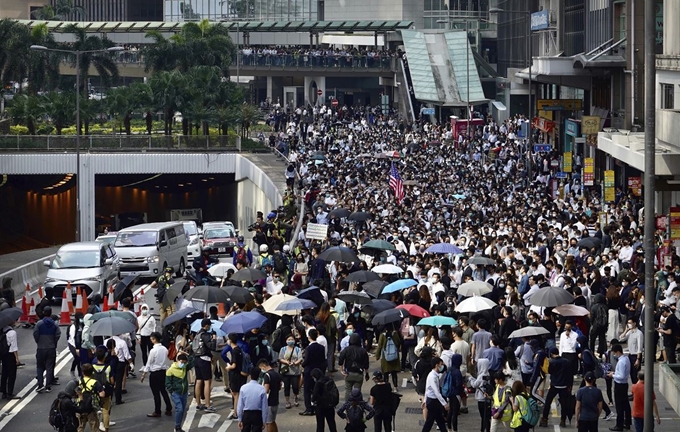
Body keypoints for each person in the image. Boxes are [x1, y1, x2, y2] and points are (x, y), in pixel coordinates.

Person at [140, 331, 172, 418]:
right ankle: (169, 408)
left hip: (154, 373)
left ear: (154, 339)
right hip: (163, 372)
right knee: (163, 391)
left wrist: (144, 374)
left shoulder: (153, 351)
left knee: (156, 393)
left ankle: (157, 411)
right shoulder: (165, 349)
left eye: (151, 339)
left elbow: (148, 363)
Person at [539, 348, 571, 428]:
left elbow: (550, 371)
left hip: (555, 385)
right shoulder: (566, 362)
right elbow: (570, 374)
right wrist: (569, 385)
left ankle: (545, 419)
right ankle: (563, 420)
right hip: (564, 385)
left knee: (548, 402)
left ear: (552, 354)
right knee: (564, 404)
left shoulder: (552, 362)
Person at [33, 305, 60, 393]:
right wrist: (53, 342)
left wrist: (39, 341)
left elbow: (35, 334)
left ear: (44, 313)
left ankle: (40, 384)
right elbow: (58, 335)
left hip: (41, 348)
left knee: (40, 366)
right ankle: (48, 386)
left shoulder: (39, 324)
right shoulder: (55, 325)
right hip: (51, 348)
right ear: (51, 313)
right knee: (49, 367)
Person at [166, 352, 194, 432]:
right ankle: (177, 427)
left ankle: (178, 426)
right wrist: (172, 391)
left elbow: (193, 362)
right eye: (182, 362)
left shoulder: (184, 367)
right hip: (176, 393)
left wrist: (188, 355)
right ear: (177, 360)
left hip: (184, 393)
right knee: (180, 409)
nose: (183, 364)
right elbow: (168, 383)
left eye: (184, 363)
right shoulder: (170, 370)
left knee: (182, 410)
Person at [193, 318, 217, 413]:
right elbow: (212, 346)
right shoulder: (205, 335)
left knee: (198, 381)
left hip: (197, 358)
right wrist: (214, 338)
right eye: (209, 325)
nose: (210, 326)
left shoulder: (197, 334)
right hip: (204, 359)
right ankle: (207, 405)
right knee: (207, 382)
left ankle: (198, 403)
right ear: (206, 325)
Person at [338, 332, 370, 402]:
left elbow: (340, 359)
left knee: (348, 391)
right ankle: (357, 405)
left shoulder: (346, 349)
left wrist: (341, 370)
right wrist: (367, 374)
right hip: (359, 374)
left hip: (348, 373)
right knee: (357, 391)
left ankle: (347, 405)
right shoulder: (363, 351)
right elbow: (366, 364)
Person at [301, 328, 326, 415]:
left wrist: (302, 364)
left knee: (307, 390)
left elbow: (307, 360)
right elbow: (323, 360)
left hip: (309, 371)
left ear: (309, 337)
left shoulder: (308, 348)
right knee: (317, 389)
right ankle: (317, 406)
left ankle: (309, 408)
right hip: (318, 371)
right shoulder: (321, 347)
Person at [421, 357, 449, 432]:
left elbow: (427, 389)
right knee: (431, 421)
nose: (442, 366)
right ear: (437, 365)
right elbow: (436, 392)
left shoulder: (433, 375)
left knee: (439, 420)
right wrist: (445, 404)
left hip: (432, 401)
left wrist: (425, 401)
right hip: (433, 401)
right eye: (441, 364)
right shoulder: (433, 377)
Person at [607, 343, 631, 431]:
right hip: (624, 384)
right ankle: (627, 422)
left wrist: (612, 376)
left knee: (619, 406)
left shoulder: (621, 362)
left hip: (619, 385)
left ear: (617, 352)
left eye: (614, 353)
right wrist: (615, 373)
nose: (614, 354)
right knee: (625, 404)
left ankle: (619, 424)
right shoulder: (626, 359)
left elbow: (621, 376)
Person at [237, 366, 268, 432]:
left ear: (250, 376)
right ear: (259, 376)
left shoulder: (243, 388)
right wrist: (264, 420)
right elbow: (264, 407)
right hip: (257, 414)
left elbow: (240, 406)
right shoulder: (262, 389)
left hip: (246, 414)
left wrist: (240, 419)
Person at [77, 363, 106, 432]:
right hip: (91, 407)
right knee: (94, 427)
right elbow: (102, 394)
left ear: (82, 372)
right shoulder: (95, 382)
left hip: (80, 406)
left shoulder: (79, 381)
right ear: (92, 372)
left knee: (80, 427)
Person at [92, 347, 114, 432]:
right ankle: (106, 428)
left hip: (96, 390)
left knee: (96, 409)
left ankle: (97, 426)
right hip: (106, 390)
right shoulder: (108, 367)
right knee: (105, 410)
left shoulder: (93, 367)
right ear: (104, 357)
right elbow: (112, 380)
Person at [225, 333, 247, 420]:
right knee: (237, 393)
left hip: (235, 375)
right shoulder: (239, 349)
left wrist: (228, 367)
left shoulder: (234, 351)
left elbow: (234, 365)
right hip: (240, 374)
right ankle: (237, 412)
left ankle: (236, 413)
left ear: (230, 340)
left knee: (236, 394)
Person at [277, 334, 302, 409]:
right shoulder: (283, 349)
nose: (290, 341)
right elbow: (280, 358)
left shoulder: (298, 349)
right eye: (289, 340)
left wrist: (295, 363)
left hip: (295, 371)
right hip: (285, 371)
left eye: (292, 339)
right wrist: (286, 362)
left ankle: (295, 397)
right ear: (286, 341)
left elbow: (300, 358)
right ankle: (287, 401)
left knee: (295, 386)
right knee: (286, 387)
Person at [311, 367, 338, 432]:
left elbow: (314, 395)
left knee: (320, 425)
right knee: (331, 423)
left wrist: (312, 401)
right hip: (330, 405)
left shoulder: (318, 383)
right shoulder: (329, 379)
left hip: (320, 406)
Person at [258, 359, 282, 432]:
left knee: (268, 423)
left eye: (261, 368)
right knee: (272, 421)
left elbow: (266, 390)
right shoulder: (276, 374)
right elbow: (280, 386)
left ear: (263, 366)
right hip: (276, 401)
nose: (261, 370)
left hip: (268, 402)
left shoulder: (267, 375)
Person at [1, 316, 19, 399]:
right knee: (12, 374)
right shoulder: (12, 332)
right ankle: (10, 393)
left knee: (4, 373)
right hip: (10, 354)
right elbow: (14, 347)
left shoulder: (2, 330)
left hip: (3, 354)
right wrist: (17, 358)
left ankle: (3, 392)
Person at [67, 312, 84, 378]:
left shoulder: (82, 325)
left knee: (80, 359)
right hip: (73, 344)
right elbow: (72, 337)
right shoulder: (73, 327)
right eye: (80, 318)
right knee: (78, 358)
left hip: (79, 344)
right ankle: (72, 370)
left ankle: (80, 374)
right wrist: (76, 348)